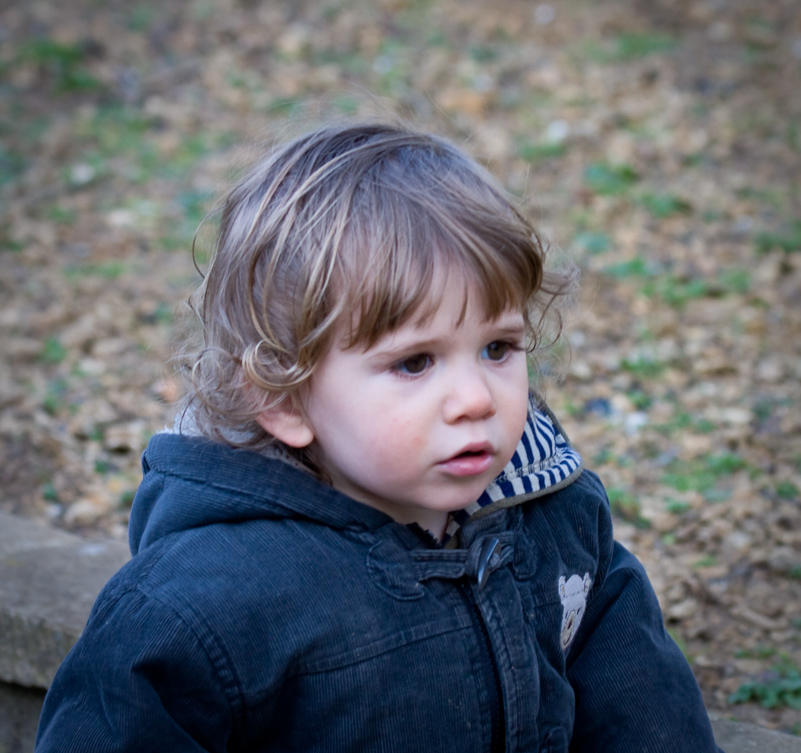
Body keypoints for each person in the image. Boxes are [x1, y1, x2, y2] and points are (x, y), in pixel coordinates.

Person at [35, 123, 723, 752]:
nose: (476, 398)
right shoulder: (199, 607)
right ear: (282, 396)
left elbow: (644, 715)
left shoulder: (557, 522)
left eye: (498, 346)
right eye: (414, 362)